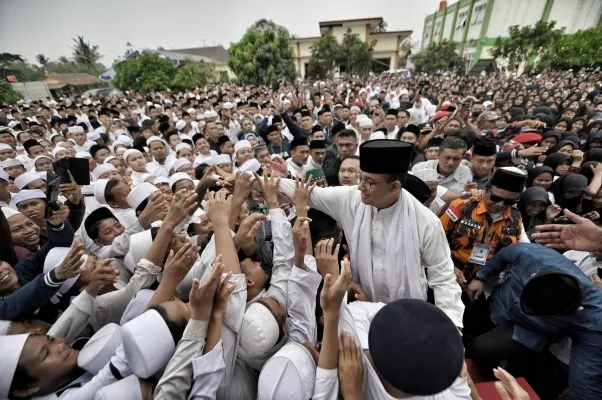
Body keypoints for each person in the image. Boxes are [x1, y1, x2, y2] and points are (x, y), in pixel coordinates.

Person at [279, 139, 463, 327]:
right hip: (360, 311)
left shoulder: (426, 222)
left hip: (407, 316)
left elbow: (443, 279)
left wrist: (450, 331)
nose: (360, 187)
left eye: (369, 182)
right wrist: (257, 181)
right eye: (361, 178)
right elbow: (307, 193)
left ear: (394, 187)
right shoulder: (351, 199)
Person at [466, 243, 602, 399]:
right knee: (468, 324)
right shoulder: (529, 255)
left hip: (527, 331)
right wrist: (481, 276)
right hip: (500, 303)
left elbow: (585, 385)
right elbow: (504, 255)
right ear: (533, 276)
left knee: (480, 349)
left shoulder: (592, 319)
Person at [438, 167, 528, 286]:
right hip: (446, 277)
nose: (500, 204)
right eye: (496, 198)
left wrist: (481, 278)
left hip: (483, 284)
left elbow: (508, 256)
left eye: (509, 202)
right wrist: (449, 268)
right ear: (485, 190)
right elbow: (435, 240)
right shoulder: (461, 206)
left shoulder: (515, 218)